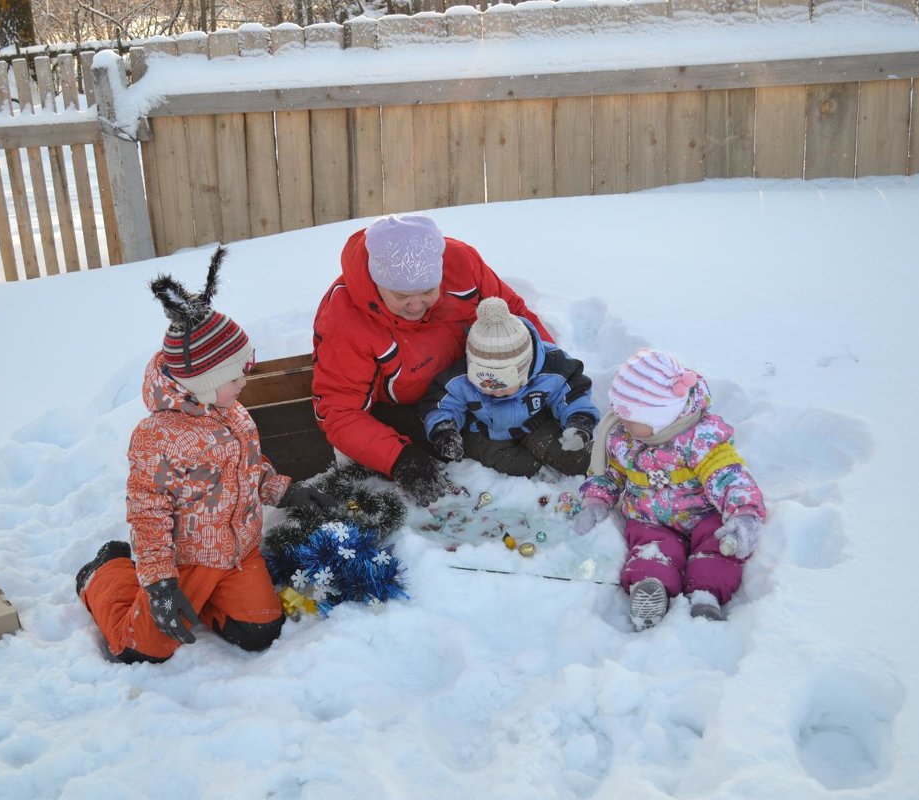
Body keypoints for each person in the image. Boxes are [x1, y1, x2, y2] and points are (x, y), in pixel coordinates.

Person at [75, 248, 335, 663]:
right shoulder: (158, 436)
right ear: (200, 381)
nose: (243, 383)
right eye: (233, 377)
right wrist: (160, 582)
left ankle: (206, 601)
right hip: (183, 562)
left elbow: (250, 471)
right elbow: (148, 512)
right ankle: (105, 573)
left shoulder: (232, 411)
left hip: (238, 552)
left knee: (259, 631)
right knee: (140, 649)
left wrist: (288, 492)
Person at [312, 213, 553, 505]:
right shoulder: (344, 319)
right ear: (377, 282)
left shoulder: (462, 263)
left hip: (478, 383)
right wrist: (399, 458)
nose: (416, 305)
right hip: (408, 409)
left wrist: (548, 372)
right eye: (401, 296)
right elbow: (339, 410)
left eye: (427, 291)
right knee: (471, 452)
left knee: (540, 428)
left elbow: (515, 315)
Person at [573, 348, 766, 630]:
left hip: (703, 515)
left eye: (630, 417)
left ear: (659, 416)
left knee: (718, 550)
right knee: (649, 551)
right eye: (620, 413)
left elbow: (729, 477)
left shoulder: (700, 439)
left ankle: (706, 596)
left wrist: (744, 513)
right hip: (651, 520)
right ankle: (651, 589)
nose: (620, 421)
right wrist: (596, 500)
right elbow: (610, 473)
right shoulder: (623, 438)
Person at [419, 297, 599, 477]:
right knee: (520, 466)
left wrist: (579, 422)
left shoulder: (552, 368)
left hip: (534, 423)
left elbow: (571, 393)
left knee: (575, 458)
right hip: (485, 431)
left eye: (502, 386)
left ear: (525, 372)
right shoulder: (461, 377)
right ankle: (532, 469)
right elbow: (443, 403)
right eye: (485, 385)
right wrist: (444, 430)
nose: (495, 392)